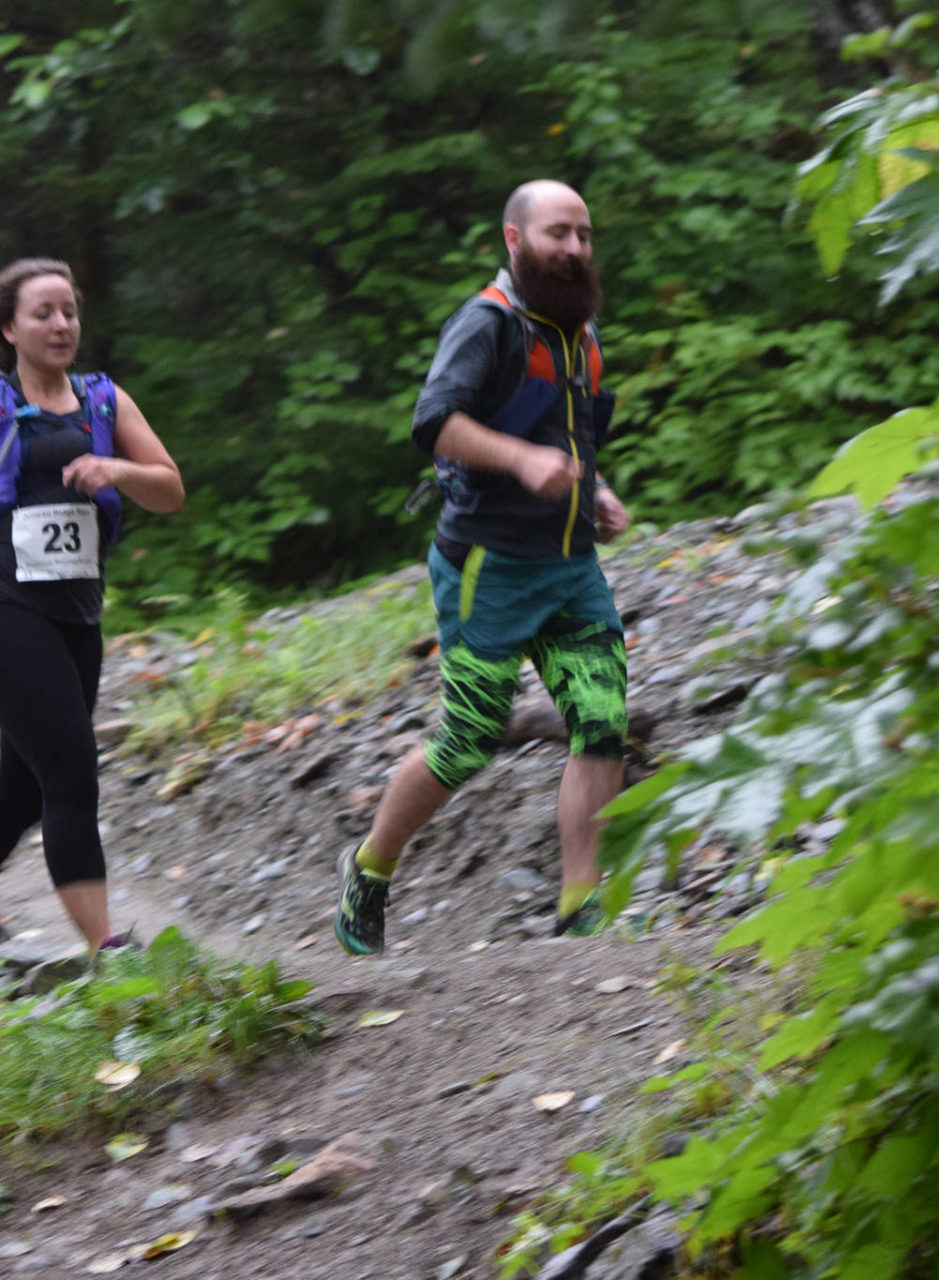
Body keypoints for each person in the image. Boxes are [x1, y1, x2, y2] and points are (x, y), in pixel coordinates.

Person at [0, 258, 184, 1015]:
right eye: (45, 313)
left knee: (19, 801)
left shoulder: (104, 400)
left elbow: (171, 489)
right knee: (73, 779)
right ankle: (110, 955)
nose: (61, 326)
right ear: (9, 328)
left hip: (78, 617)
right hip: (0, 610)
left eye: (71, 312)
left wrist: (117, 468)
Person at [336, 180, 632, 954]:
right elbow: (435, 424)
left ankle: (579, 906)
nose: (573, 249)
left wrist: (596, 489)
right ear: (514, 239)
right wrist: (521, 460)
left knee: (600, 722)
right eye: (557, 234)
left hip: (571, 568)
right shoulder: (487, 323)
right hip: (487, 569)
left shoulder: (584, 334)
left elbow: (578, 439)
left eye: (583, 235)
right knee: (469, 739)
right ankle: (369, 870)